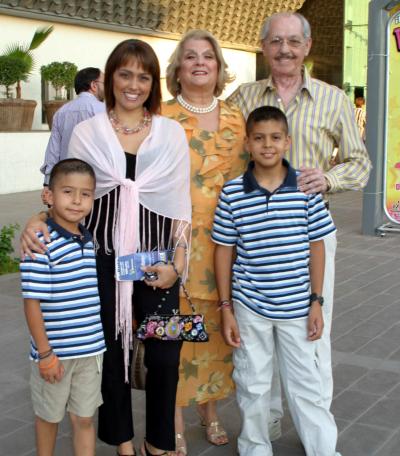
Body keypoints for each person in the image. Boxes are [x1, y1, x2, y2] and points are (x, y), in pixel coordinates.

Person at [20, 39, 191, 456]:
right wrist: (35, 219)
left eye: (144, 77)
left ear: (154, 84)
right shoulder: (87, 132)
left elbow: (180, 204)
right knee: (110, 355)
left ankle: (158, 441)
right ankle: (123, 441)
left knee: (165, 358)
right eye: (125, 74)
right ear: (110, 77)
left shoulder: (170, 133)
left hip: (156, 265)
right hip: (100, 263)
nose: (134, 84)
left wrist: (179, 263)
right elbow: (67, 193)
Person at [227, 11, 372, 435]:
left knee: (312, 332)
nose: (284, 49)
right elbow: (224, 158)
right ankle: (267, 419)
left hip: (310, 236)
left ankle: (315, 428)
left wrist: (327, 178)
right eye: (275, 41)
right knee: (258, 335)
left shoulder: (334, 99)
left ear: (307, 46)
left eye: (293, 41)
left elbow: (360, 162)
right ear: (264, 46)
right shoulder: (243, 98)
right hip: (254, 235)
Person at [212, 106, 341, 456]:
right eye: (258, 138)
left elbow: (317, 247)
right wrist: (226, 307)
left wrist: (317, 301)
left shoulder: (305, 188)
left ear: (287, 141)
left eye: (274, 138)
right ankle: (255, 447)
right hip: (250, 305)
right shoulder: (233, 192)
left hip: (298, 306)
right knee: (252, 383)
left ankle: (323, 448)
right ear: (247, 143)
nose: (267, 145)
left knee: (306, 384)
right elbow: (224, 250)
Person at [162, 29, 248, 454]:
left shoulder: (237, 118)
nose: (199, 62)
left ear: (219, 69)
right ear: (177, 69)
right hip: (173, 244)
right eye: (190, 56)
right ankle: (172, 420)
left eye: (208, 57)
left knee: (215, 329)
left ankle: (209, 410)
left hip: (225, 245)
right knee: (173, 332)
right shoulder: (160, 117)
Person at [20, 158, 106, 456]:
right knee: (49, 417)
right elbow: (32, 302)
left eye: (85, 194)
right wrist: (45, 354)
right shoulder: (40, 241)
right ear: (49, 195)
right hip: (55, 353)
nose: (77, 201)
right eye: (68, 192)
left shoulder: (88, 238)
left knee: (84, 418)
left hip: (91, 351)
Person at [40, 67, 105, 204]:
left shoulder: (61, 112)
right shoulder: (102, 110)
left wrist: (47, 184)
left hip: (67, 181)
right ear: (94, 85)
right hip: (97, 182)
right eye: (105, 83)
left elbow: (53, 151)